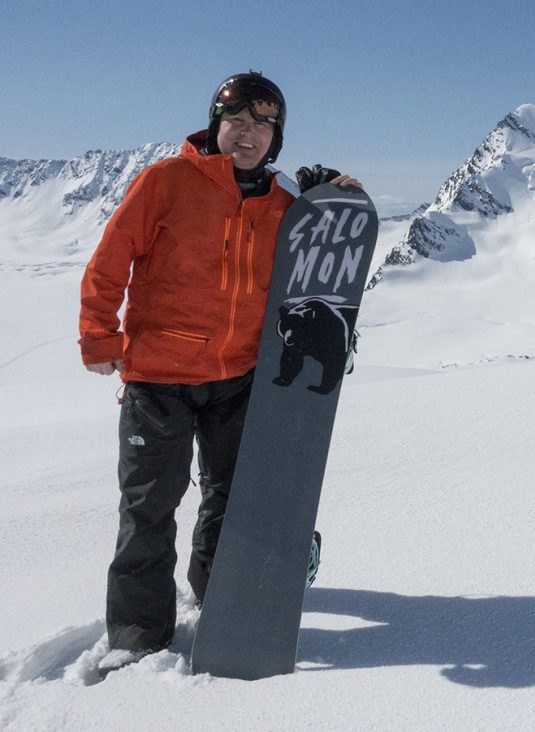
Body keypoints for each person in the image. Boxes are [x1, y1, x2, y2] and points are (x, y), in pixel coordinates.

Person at [79, 72, 360, 673]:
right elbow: (110, 258)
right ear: (216, 125)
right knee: (149, 507)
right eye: (237, 121)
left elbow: (317, 264)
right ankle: (136, 634)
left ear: (275, 138)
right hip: (157, 377)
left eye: (263, 125)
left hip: (237, 378)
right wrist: (99, 336)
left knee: (233, 501)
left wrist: (329, 196)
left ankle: (222, 597)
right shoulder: (167, 181)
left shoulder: (282, 204)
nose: (248, 134)